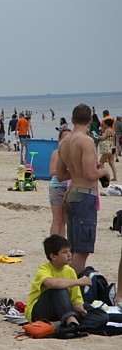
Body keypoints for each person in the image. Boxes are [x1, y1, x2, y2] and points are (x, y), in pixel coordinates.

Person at [55, 104, 110, 275]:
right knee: (82, 249)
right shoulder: (86, 141)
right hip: (84, 195)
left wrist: (75, 169)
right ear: (89, 121)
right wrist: (104, 170)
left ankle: (70, 286)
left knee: (73, 246)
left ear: (72, 120)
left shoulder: (64, 142)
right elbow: (90, 173)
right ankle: (74, 290)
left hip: (71, 194)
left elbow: (60, 175)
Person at [24, 235, 91, 329]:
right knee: (58, 289)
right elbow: (52, 284)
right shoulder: (43, 269)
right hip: (39, 311)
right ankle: (71, 321)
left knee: (101, 316)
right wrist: (78, 281)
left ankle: (59, 323)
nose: (69, 255)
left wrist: (79, 307)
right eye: (65, 252)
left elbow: (76, 298)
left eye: (69, 251)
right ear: (53, 256)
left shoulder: (70, 271)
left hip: (62, 310)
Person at [48, 129, 70, 237]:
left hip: (69, 187)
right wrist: (66, 172)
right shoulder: (56, 153)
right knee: (57, 219)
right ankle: (54, 243)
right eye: (64, 138)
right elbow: (52, 171)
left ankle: (62, 243)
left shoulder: (73, 153)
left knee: (64, 221)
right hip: (57, 186)